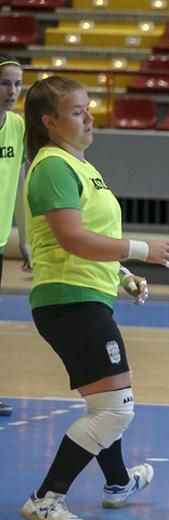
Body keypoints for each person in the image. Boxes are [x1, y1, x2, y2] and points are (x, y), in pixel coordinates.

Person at [18, 76, 169, 520]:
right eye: (77, 111)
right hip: (69, 302)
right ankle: (46, 498)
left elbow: (93, 239)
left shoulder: (79, 165)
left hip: (86, 296)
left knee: (105, 406)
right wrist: (140, 250)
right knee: (115, 409)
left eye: (88, 108)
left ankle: (117, 482)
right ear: (49, 122)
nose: (89, 116)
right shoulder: (53, 166)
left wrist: (123, 276)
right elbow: (72, 239)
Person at [0, 56, 29, 417]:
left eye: (17, 84)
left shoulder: (18, 128)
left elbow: (22, 184)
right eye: (5, 83)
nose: (12, 91)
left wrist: (25, 235)